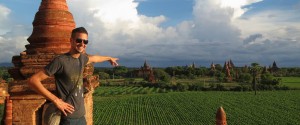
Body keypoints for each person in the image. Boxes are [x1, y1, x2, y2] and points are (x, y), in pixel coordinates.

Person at [28, 27, 118, 125]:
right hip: (67, 118)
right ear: (71, 41)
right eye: (79, 40)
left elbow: (94, 58)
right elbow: (33, 80)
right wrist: (56, 101)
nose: (82, 44)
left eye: (85, 41)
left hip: (81, 117)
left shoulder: (82, 59)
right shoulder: (60, 61)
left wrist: (109, 58)